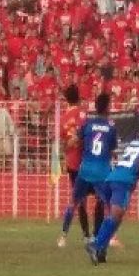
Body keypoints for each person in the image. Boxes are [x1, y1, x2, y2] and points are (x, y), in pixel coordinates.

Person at [87, 115, 139, 265]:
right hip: (123, 182)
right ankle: (96, 244)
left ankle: (101, 251)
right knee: (116, 216)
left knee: (115, 218)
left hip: (112, 177)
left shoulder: (135, 142)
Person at [59, 94, 118, 246]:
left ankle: (63, 236)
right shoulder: (111, 126)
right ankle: (109, 237)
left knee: (73, 202)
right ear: (107, 107)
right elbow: (112, 150)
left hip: (85, 169)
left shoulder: (87, 124)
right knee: (110, 204)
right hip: (102, 171)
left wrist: (65, 148)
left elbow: (73, 141)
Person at [56, 85, 97, 248]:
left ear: (66, 99)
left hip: (72, 163)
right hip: (87, 162)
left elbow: (63, 144)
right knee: (102, 197)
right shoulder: (83, 114)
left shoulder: (64, 118)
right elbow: (89, 135)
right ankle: (94, 235)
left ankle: (65, 235)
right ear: (79, 97)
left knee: (77, 200)